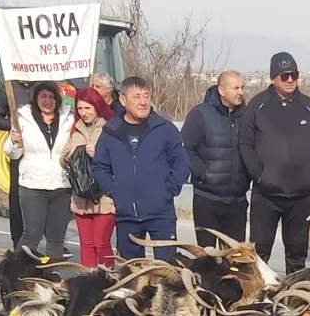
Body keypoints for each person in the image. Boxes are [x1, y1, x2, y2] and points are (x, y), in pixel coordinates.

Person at [238, 52, 310, 270]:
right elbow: (245, 144)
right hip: (266, 196)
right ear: (273, 78)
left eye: (293, 75)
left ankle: (294, 299)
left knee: (296, 255)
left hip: (300, 197)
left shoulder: (308, 107)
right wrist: (260, 176)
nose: (289, 80)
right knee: (259, 255)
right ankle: (256, 300)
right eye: (284, 76)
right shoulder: (257, 106)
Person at [91, 76, 188, 263]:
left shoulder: (164, 128)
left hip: (161, 213)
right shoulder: (111, 132)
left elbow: (181, 163)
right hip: (126, 215)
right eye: (136, 97)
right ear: (123, 100)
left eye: (146, 96)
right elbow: (100, 166)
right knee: (131, 271)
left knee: (166, 270)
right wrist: (115, 191)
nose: (143, 102)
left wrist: (167, 190)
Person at [0, 82, 74, 258]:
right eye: (43, 96)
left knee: (56, 238)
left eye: (52, 97)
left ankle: (52, 275)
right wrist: (14, 142)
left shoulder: (69, 120)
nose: (48, 101)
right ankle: (17, 274)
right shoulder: (22, 120)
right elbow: (13, 154)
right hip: (33, 186)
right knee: (31, 235)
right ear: (36, 99)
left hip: (61, 186)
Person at [182, 70, 249, 242]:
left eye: (242, 87)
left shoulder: (248, 116)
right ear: (221, 90)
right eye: (235, 88)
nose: (240, 92)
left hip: (237, 202)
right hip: (208, 200)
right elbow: (185, 148)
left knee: (234, 261)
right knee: (208, 260)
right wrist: (203, 174)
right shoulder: (201, 114)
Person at [62, 86, 116, 267]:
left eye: (87, 108)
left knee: (101, 244)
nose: (83, 113)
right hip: (81, 195)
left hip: (104, 197)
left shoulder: (111, 129)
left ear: (97, 106)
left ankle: (106, 281)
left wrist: (98, 155)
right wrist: (66, 157)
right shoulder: (75, 131)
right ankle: (88, 280)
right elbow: (66, 166)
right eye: (80, 108)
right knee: (86, 245)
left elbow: (121, 161)